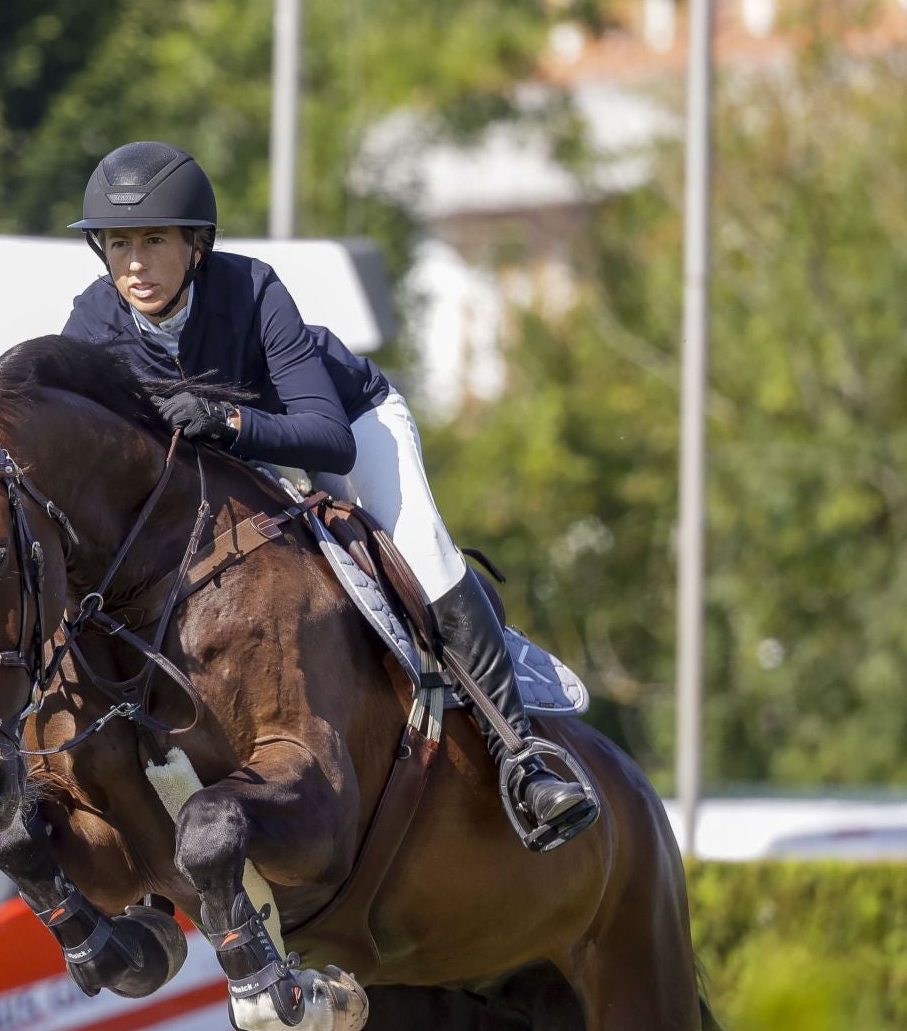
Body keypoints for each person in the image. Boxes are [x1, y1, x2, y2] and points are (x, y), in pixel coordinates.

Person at [61, 140, 598, 853]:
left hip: (349, 422)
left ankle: (523, 760)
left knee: (421, 554)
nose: (135, 262)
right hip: (227, 471)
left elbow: (328, 438)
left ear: (196, 246)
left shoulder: (253, 290)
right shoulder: (90, 328)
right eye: (119, 242)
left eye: (154, 239)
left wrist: (225, 421)